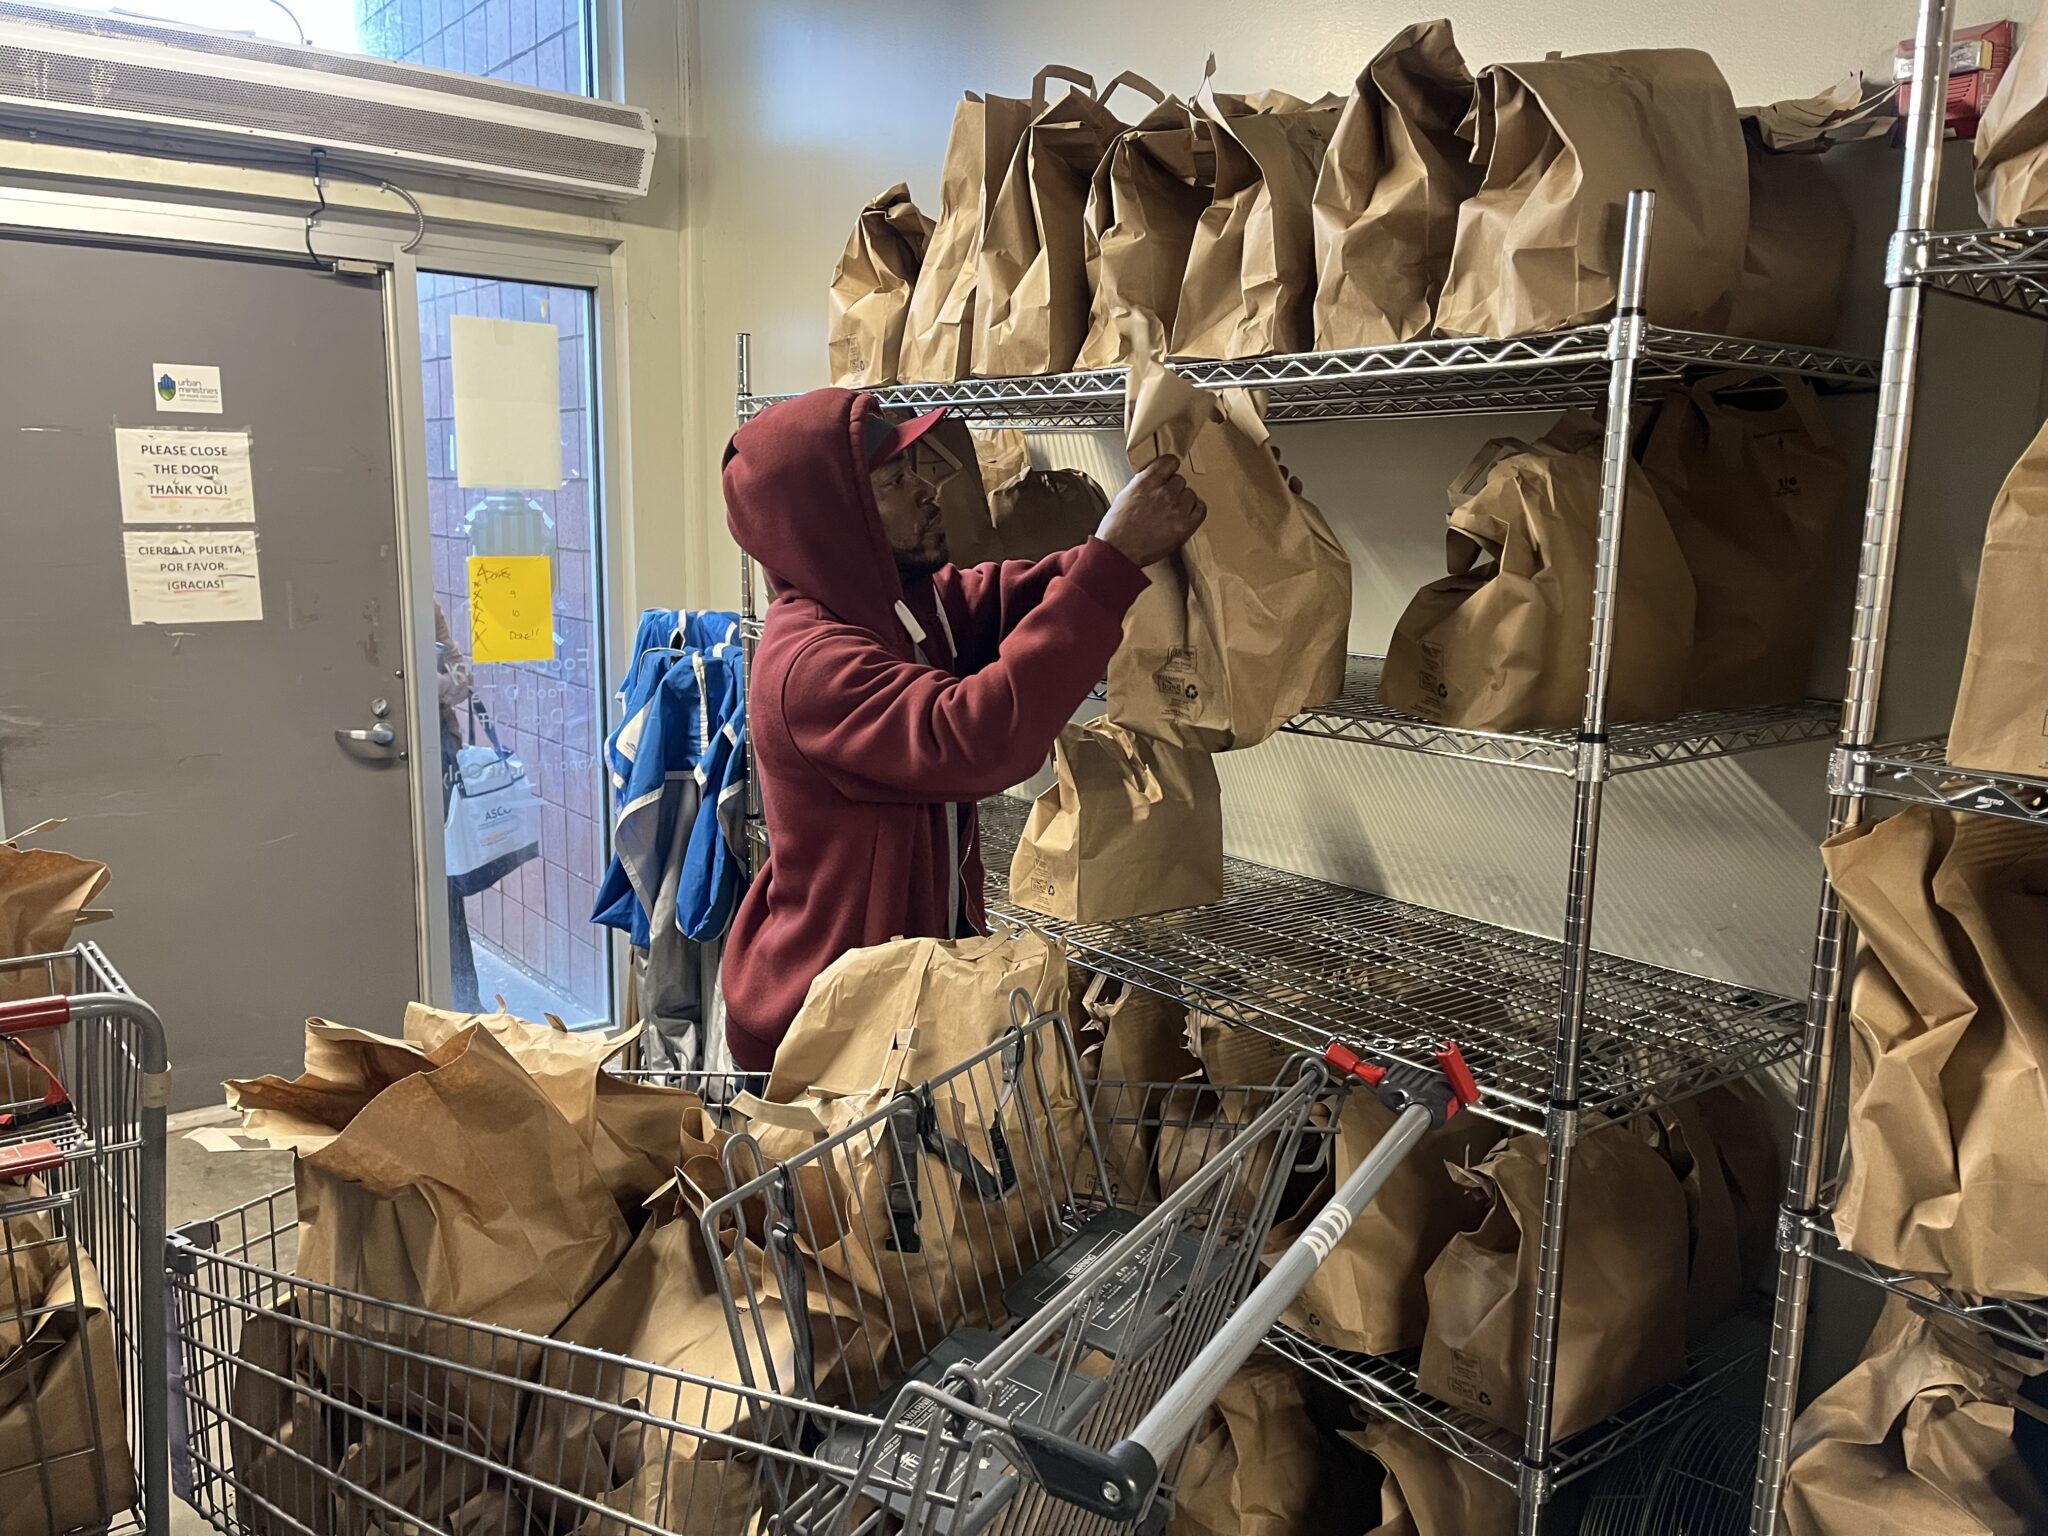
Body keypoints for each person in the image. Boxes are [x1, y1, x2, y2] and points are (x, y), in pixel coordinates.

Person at [719, 389, 1206, 1075]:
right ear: (835, 519)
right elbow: (974, 737)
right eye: (893, 481)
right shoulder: (814, 665)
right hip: (828, 1029)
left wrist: (1121, 548)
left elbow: (1004, 593)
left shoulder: (901, 609)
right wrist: (1113, 563)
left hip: (901, 1005)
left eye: (914, 468)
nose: (927, 488)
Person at [435, 600, 483, 1011]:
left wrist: (444, 679)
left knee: (446, 883)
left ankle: (464, 1003)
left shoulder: (424, 606)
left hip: (439, 755)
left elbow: (461, 681)